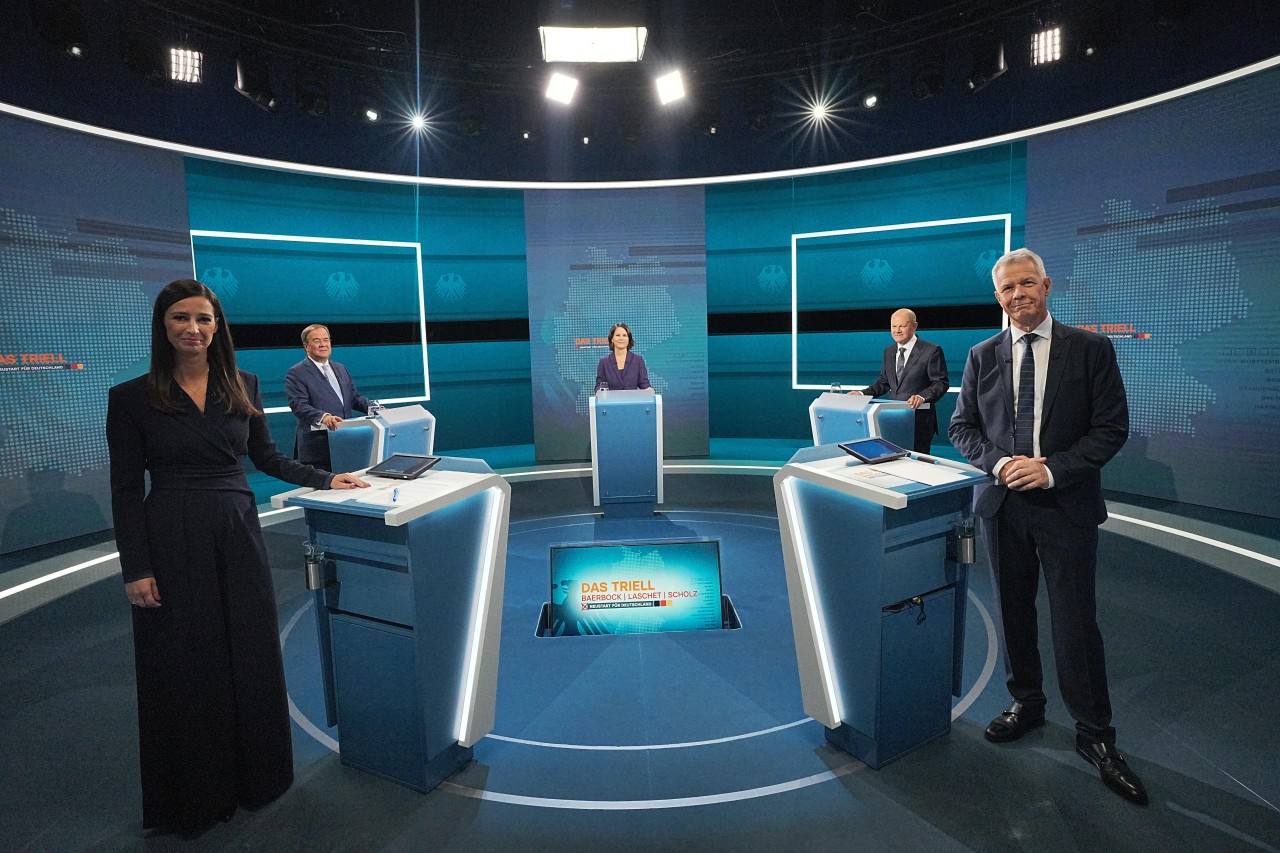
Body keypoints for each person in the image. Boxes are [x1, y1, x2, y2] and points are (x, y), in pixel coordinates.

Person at [106, 280, 369, 833]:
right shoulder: (131, 397)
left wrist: (325, 479)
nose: (193, 329)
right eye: (180, 318)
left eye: (203, 319)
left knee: (249, 652)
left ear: (216, 327)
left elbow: (266, 456)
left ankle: (260, 777)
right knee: (188, 665)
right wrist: (137, 568)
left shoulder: (241, 385)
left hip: (237, 533)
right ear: (163, 326)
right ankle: (197, 795)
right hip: (172, 539)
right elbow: (126, 490)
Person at [948, 249, 1146, 805]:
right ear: (998, 297)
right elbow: (961, 428)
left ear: (1047, 285)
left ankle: (1095, 735)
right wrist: (1000, 463)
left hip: (1066, 508)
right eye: (1008, 289)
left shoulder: (1090, 349)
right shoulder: (981, 355)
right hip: (1003, 508)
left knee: (1075, 623)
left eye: (1027, 284)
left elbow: (1111, 428)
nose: (1019, 296)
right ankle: (1026, 704)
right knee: (1013, 612)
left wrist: (1052, 469)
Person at [849, 308, 949, 453]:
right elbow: (884, 383)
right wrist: (861, 394)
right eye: (893, 326)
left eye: (902, 326)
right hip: (892, 419)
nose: (897, 330)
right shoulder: (888, 351)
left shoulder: (931, 350)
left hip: (918, 421)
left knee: (916, 467)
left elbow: (940, 383)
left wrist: (922, 397)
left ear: (914, 326)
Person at [285, 324, 370, 470]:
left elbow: (354, 398)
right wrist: (324, 417)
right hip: (318, 447)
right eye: (317, 341)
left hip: (345, 441)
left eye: (326, 340)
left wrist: (375, 408)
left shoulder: (341, 368)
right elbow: (298, 405)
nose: (323, 344)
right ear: (306, 346)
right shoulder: (296, 372)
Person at [594, 322, 652, 392]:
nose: (621, 338)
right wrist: (599, 391)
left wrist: (650, 391)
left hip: (632, 401)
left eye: (624, 335)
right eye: (618, 335)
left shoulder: (638, 360)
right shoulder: (604, 362)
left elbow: (644, 384)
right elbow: (600, 385)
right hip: (611, 401)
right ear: (612, 339)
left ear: (628, 339)